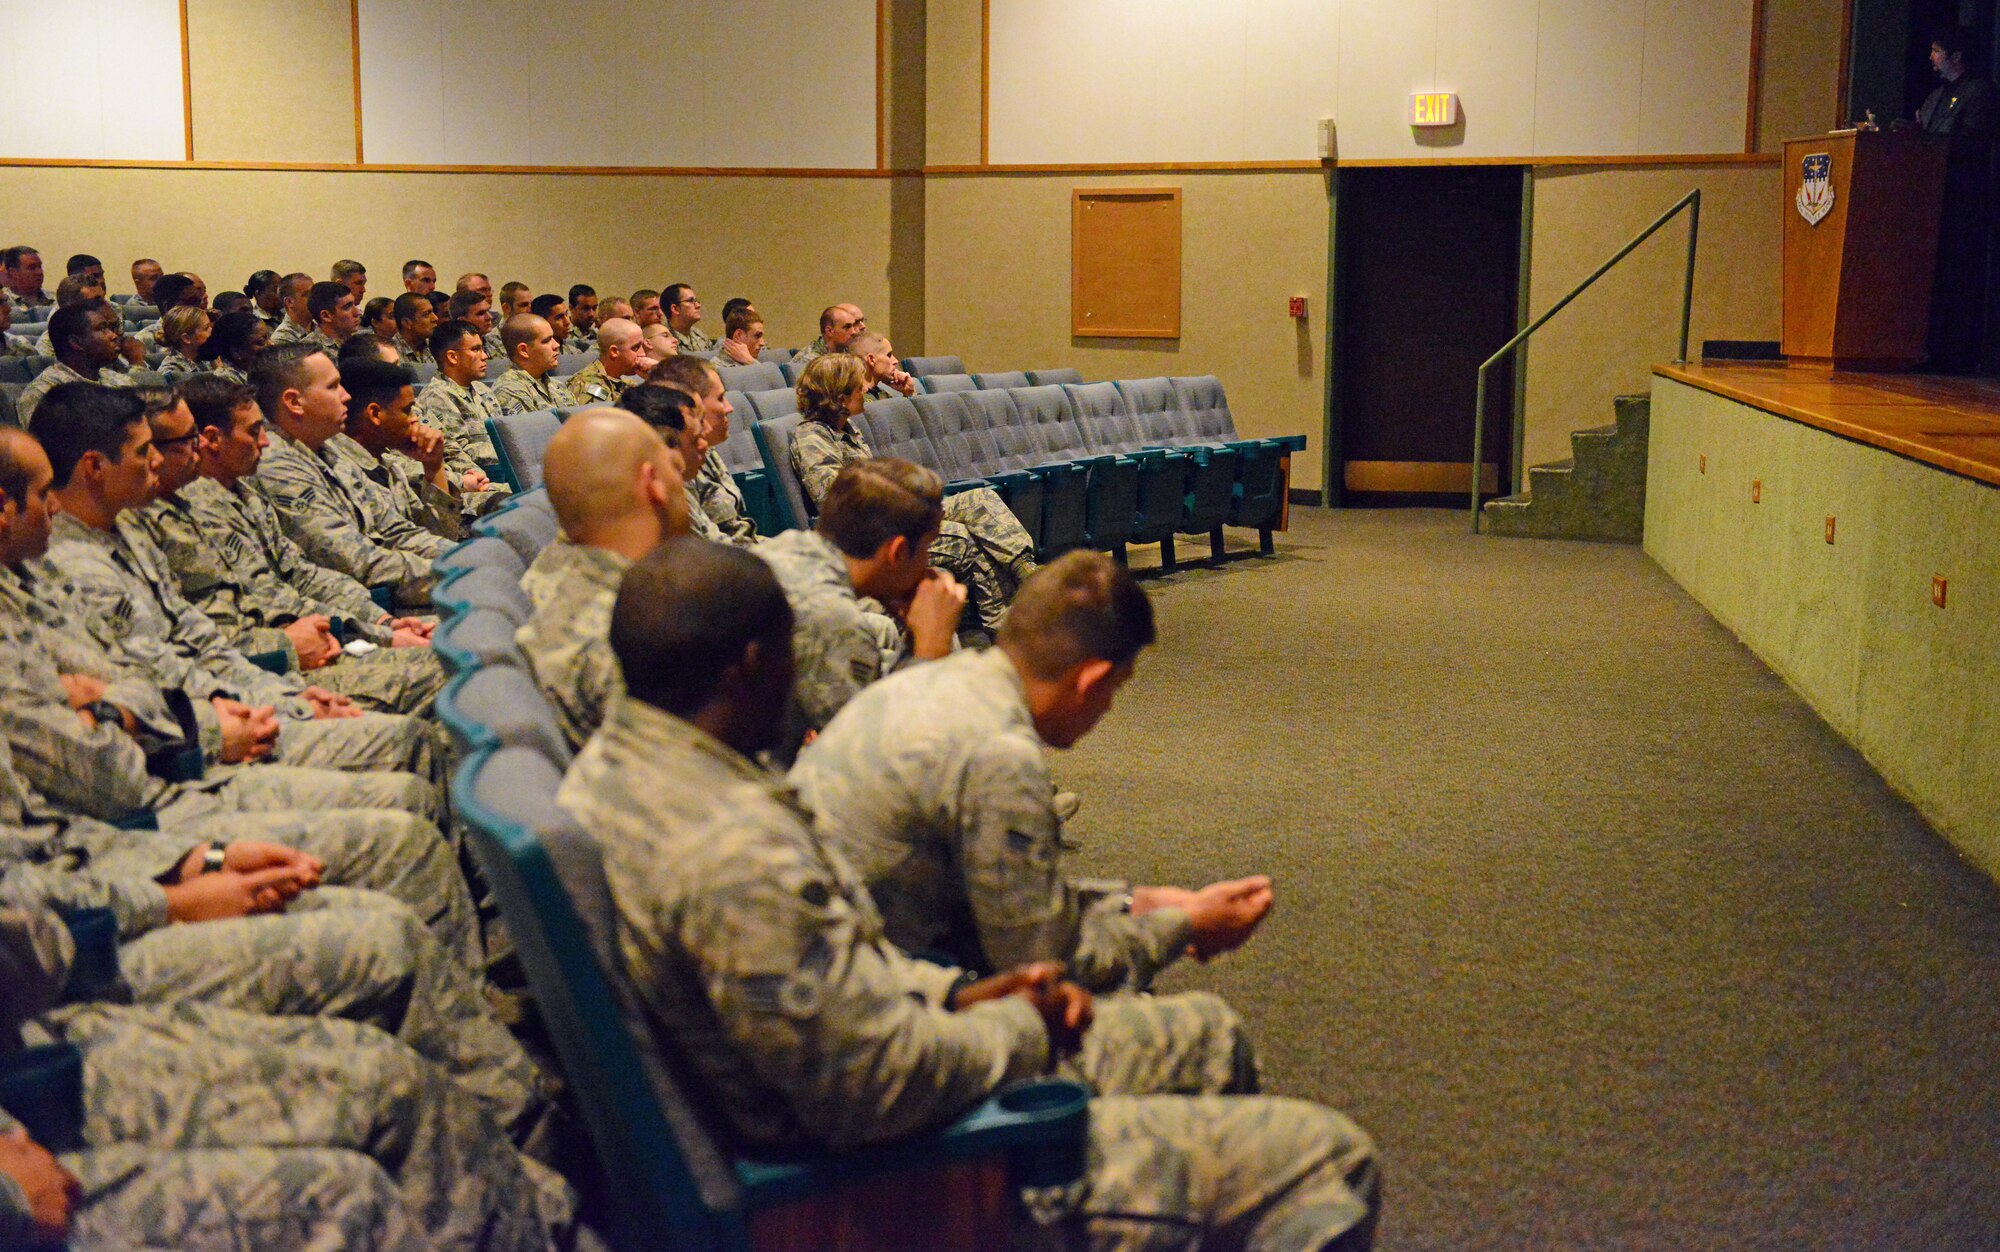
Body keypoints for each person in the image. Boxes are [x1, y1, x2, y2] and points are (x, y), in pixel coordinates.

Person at [559, 538, 1381, 1250]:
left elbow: (831, 974)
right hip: (862, 1184)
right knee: (1327, 1157)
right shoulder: (730, 848)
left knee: (1206, 1033)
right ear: (750, 663)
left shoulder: (621, 772)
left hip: (840, 1079)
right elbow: (871, 1087)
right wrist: (1019, 1024)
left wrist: (957, 994)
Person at [794, 550, 1273, 987]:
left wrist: (1137, 903)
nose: (1108, 709)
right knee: (1202, 1034)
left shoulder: (934, 681)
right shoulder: (1001, 755)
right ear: (1092, 680)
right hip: (854, 1008)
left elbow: (1008, 895)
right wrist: (1185, 925)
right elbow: (1042, 962)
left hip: (817, 967)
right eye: (1116, 690)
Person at [30, 384, 447, 787]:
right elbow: (162, 672)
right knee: (422, 721)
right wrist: (287, 696)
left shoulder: (129, 527)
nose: (156, 460)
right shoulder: (78, 562)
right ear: (95, 467)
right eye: (144, 451)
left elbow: (208, 633)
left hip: (252, 686)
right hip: (201, 738)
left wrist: (293, 688)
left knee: (438, 684)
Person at [139, 374, 443, 714]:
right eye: (254, 432)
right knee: (448, 671)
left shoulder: (246, 493)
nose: (266, 443)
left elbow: (300, 574)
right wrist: (363, 634)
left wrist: (381, 625)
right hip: (263, 671)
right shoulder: (179, 515)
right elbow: (228, 626)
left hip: (312, 642)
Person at [790, 353, 1036, 634]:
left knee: (980, 499)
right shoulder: (812, 437)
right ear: (840, 396)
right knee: (965, 537)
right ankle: (1001, 627)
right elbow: (838, 501)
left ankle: (1025, 569)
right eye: (858, 386)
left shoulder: (846, 429)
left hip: (893, 515)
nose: (865, 389)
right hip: (872, 536)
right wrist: (901, 501)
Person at [516, 406, 690, 749]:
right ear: (652, 482)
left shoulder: (556, 573)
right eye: (674, 466)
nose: (683, 477)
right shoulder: (633, 638)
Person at [756, 457, 964, 740]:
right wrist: (929, 649)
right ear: (898, 552)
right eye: (927, 547)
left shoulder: (788, 546)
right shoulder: (834, 621)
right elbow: (875, 759)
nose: (927, 562)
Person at [252, 345, 447, 609]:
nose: (346, 396)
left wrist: (460, 557)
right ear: (294, 402)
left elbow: (394, 529)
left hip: (399, 591)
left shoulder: (329, 447)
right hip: (354, 610)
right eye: (333, 387)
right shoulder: (275, 464)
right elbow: (351, 560)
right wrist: (457, 573)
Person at [1918, 29, 1998, 373]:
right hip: (1931, 200)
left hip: (1963, 200)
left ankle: (1957, 353)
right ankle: (1930, 349)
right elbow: (1925, 139)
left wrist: (1933, 143)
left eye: (1937, 51)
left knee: (1959, 278)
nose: (1932, 58)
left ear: (1957, 56)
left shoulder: (1980, 93)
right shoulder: (1936, 95)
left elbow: (1973, 142)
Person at [333, 355, 475, 542]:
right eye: (407, 410)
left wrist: (434, 467)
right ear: (375, 414)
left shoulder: (389, 468)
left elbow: (440, 536)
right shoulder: (337, 472)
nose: (415, 419)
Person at [651, 354, 758, 546]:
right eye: (720, 398)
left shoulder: (704, 450)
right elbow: (714, 554)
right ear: (692, 405)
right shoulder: (672, 469)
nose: (729, 408)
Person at [16, 301, 134, 428]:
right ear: (76, 342)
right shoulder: (44, 393)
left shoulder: (121, 381)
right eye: (102, 329)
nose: (114, 335)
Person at [414, 319, 502, 477]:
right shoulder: (438, 395)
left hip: (505, 468)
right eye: (476, 349)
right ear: (452, 357)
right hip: (478, 479)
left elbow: (504, 434)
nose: (485, 356)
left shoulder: (482, 389)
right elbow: (453, 454)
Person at [488, 314, 565, 415]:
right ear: (524, 350)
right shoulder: (509, 391)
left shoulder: (558, 386)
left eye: (553, 338)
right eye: (546, 341)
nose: (556, 345)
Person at [562, 316, 648, 406]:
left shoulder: (624, 382)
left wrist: (653, 376)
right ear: (614, 352)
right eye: (636, 348)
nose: (643, 354)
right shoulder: (589, 385)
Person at [197, 309, 269, 384]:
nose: (271, 344)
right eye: (261, 342)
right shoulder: (226, 383)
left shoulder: (260, 370)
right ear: (237, 353)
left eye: (267, 337)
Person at [851, 330, 917, 399]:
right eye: (888, 355)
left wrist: (909, 393)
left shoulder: (881, 394)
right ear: (871, 360)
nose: (895, 361)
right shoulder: (856, 401)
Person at [791, 303, 863, 366]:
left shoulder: (843, 350)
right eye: (847, 327)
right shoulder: (811, 361)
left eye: (853, 326)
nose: (853, 332)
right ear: (829, 331)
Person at [306, 280, 360, 358]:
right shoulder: (310, 352)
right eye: (347, 307)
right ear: (326, 316)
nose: (357, 312)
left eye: (354, 304)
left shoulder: (359, 343)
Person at [154, 306, 211, 378]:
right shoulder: (172, 372)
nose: (212, 331)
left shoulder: (203, 358)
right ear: (186, 338)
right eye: (206, 328)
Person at [267, 273, 316, 346]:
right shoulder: (282, 339)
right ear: (289, 302)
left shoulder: (319, 326)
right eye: (307, 295)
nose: (315, 298)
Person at [663, 282, 713, 353]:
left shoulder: (700, 335)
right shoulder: (663, 339)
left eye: (696, 301)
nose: (698, 305)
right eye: (690, 301)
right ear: (675, 309)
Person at [391, 292, 438, 364]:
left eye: (432, 312)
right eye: (426, 314)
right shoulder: (390, 354)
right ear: (406, 322)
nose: (435, 318)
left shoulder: (434, 346)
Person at [1, 247, 49, 314]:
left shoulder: (56, 300)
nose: (40, 272)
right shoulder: (3, 303)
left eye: (40, 266)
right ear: (13, 272)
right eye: (32, 268)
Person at [565, 283, 599, 352]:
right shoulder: (563, 334)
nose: (592, 314)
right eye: (585, 309)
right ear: (571, 308)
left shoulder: (599, 334)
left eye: (594, 308)